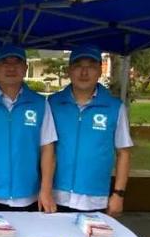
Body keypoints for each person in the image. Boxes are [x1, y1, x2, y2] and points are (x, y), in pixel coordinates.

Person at [0, 44, 56, 212]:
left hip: (29, 195)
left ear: (25, 68)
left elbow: (47, 148)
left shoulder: (40, 104)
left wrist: (45, 190)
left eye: (17, 62)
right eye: (5, 62)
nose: (11, 68)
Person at [48, 45, 131, 216]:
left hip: (95, 198)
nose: (84, 72)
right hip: (55, 196)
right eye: (78, 66)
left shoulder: (115, 107)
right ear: (69, 70)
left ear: (100, 71)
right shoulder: (53, 103)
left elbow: (123, 153)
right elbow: (45, 149)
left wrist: (118, 194)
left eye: (91, 66)